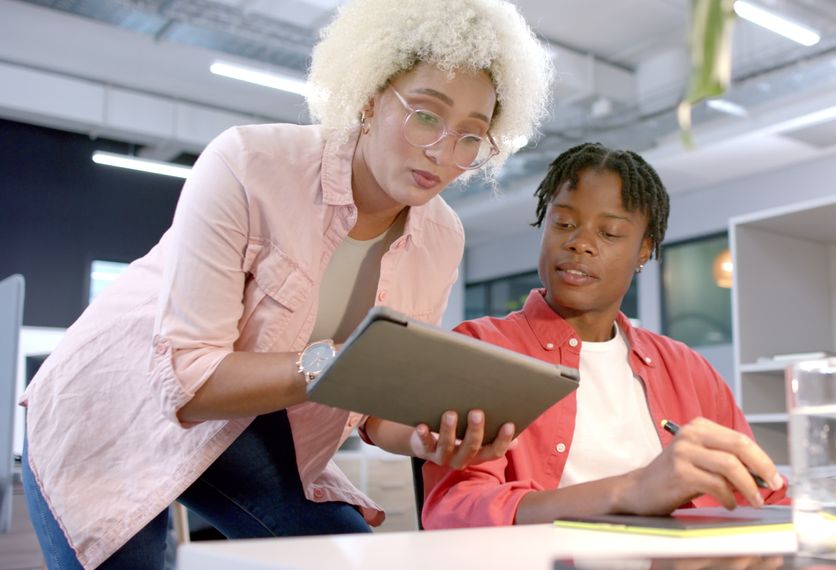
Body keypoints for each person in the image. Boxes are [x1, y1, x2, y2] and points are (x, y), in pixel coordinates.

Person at [18, 0, 552, 567]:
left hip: (247, 425)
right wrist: (339, 363)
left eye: (471, 136)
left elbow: (373, 407)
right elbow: (189, 378)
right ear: (371, 98)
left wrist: (422, 438)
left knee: (343, 558)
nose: (443, 152)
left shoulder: (441, 236)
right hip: (111, 407)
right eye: (425, 115)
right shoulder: (250, 164)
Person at [421, 143, 788, 529]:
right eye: (563, 224)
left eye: (610, 233)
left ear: (644, 251)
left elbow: (766, 494)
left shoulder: (688, 369)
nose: (579, 243)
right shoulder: (483, 349)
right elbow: (455, 509)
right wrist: (629, 492)